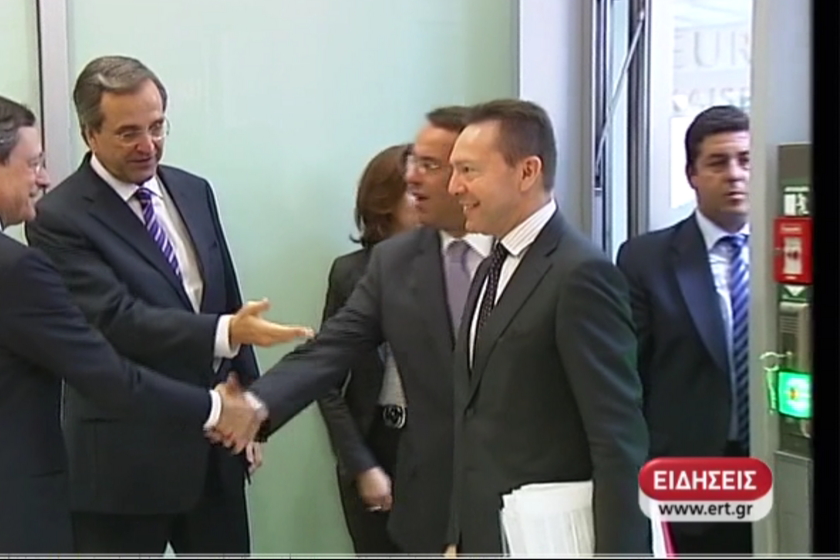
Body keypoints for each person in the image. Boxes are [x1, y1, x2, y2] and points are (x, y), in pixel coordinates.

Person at [0, 91, 263, 554]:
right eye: (33, 163)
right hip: (4, 521)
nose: (43, 178)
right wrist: (215, 408)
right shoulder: (12, 267)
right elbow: (105, 375)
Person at [23, 55, 311, 556]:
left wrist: (249, 408)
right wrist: (226, 331)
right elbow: (115, 320)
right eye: (128, 133)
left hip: (215, 454)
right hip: (125, 466)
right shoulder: (57, 218)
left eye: (157, 127)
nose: (148, 145)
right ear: (90, 134)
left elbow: (226, 298)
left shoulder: (193, 190)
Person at [219, 106, 493, 554]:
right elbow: (332, 349)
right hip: (421, 489)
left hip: (509, 493)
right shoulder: (392, 263)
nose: (414, 178)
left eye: (429, 165)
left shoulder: (541, 262)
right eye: (413, 164)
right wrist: (255, 403)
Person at [441, 99, 650, 554]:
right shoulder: (489, 267)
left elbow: (617, 437)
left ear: (527, 172)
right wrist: (458, 537)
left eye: (468, 170)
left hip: (551, 539)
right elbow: (474, 421)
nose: (454, 187)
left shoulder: (581, 274)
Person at [616, 105, 753, 555]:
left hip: (779, 463)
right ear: (692, 174)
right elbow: (630, 378)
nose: (735, 175)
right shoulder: (646, 260)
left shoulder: (790, 252)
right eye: (718, 163)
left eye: (745, 160)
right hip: (691, 474)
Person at [315, 142, 417, 554]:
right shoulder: (350, 273)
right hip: (376, 445)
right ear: (384, 202)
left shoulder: (460, 267)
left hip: (440, 453)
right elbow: (325, 380)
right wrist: (361, 464)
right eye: (414, 189)